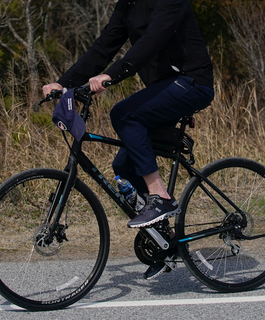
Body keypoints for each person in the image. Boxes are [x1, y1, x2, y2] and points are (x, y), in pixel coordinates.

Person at [43, 0, 214, 278]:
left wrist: (112, 74)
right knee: (125, 165)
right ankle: (165, 242)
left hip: (192, 83)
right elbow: (104, 47)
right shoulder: (128, 5)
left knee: (123, 114)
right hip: (165, 87)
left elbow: (151, 42)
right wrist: (64, 83)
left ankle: (159, 195)